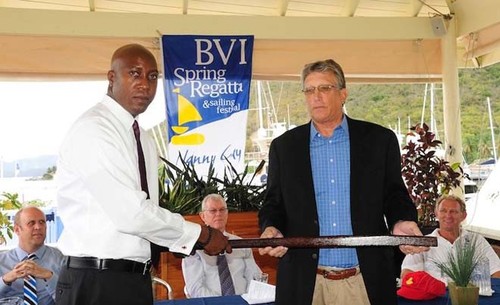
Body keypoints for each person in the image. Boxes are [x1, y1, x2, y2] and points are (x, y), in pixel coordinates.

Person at [55, 43, 230, 305]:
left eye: (152, 77)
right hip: (95, 282)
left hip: (132, 279)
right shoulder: (95, 130)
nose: (144, 84)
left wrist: (179, 242)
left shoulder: (144, 139)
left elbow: (146, 214)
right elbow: (132, 215)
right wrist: (201, 235)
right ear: (112, 78)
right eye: (134, 73)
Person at [257, 59, 428, 305]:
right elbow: (273, 202)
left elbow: (394, 195)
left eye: (324, 88)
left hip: (364, 281)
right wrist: (271, 227)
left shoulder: (380, 140)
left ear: (343, 94)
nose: (316, 96)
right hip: (305, 284)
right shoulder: (284, 147)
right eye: (309, 90)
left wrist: (401, 221)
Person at [401, 195, 500, 282]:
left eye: (453, 211)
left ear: (463, 216)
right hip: (434, 298)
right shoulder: (423, 243)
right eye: (443, 211)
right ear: (436, 213)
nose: (448, 215)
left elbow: (497, 271)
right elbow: (407, 274)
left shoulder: (476, 241)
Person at [182, 194, 262, 297]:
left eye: (222, 210)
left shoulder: (241, 244)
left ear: (227, 213)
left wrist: (247, 299)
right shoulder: (194, 248)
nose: (218, 214)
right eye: (213, 211)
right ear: (203, 216)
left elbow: (254, 277)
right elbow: (195, 289)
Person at [0, 206, 64, 305]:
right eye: (31, 223)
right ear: (17, 229)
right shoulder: (2, 261)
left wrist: (49, 276)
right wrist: (5, 280)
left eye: (42, 222)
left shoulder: (60, 259)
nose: (38, 227)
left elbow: (69, 299)